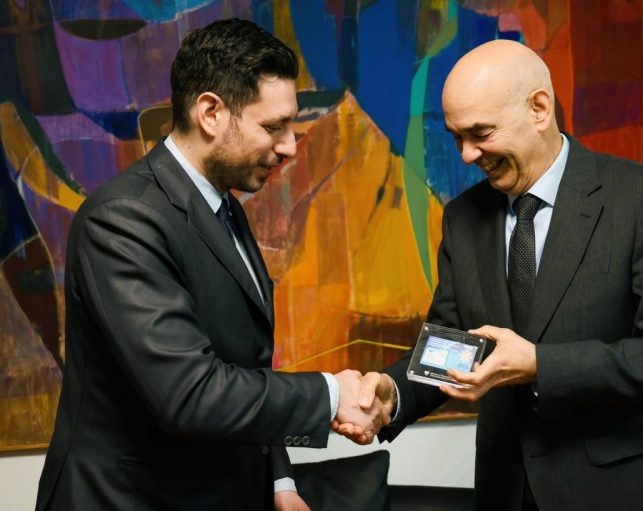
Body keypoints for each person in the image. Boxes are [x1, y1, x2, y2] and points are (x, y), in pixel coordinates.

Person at [36, 18, 389, 511]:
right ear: (210, 113)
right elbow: (190, 394)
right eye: (273, 127)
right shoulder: (122, 220)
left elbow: (248, 369)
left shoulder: (225, 208)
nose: (290, 145)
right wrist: (332, 394)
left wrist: (280, 482)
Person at [342, 39, 643, 511]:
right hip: (507, 492)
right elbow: (452, 344)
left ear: (539, 108)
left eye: (480, 133)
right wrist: (390, 394)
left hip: (623, 491)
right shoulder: (462, 218)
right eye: (456, 137)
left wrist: (539, 364)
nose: (467, 155)